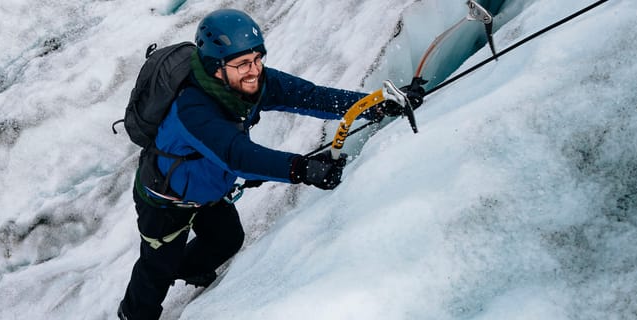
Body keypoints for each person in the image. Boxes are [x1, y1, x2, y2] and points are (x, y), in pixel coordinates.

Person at [118, 8, 421, 320]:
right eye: (242, 64)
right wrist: (302, 169)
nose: (254, 70)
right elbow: (238, 156)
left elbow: (310, 96)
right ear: (215, 67)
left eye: (257, 59)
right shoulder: (192, 109)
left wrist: (374, 105)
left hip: (208, 188)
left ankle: (184, 268)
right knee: (156, 270)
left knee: (227, 240)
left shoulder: (250, 83)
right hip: (165, 199)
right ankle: (132, 313)